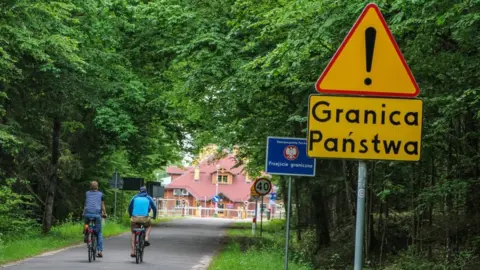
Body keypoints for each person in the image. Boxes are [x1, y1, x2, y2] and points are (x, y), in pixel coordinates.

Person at [128, 186, 157, 257]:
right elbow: (154, 208)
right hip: (145, 218)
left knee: (133, 232)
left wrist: (130, 215)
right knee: (149, 225)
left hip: (134, 218)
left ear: (139, 191)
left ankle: (133, 251)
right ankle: (146, 238)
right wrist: (154, 216)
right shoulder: (148, 197)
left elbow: (129, 207)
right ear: (146, 192)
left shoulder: (134, 197)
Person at [83, 181, 107, 257]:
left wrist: (84, 212)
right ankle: (99, 251)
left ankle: (86, 233)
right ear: (97, 187)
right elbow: (102, 205)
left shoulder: (87, 193)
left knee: (86, 224)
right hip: (97, 215)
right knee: (99, 233)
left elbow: (86, 203)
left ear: (90, 187)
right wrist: (104, 213)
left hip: (87, 214)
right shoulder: (101, 194)